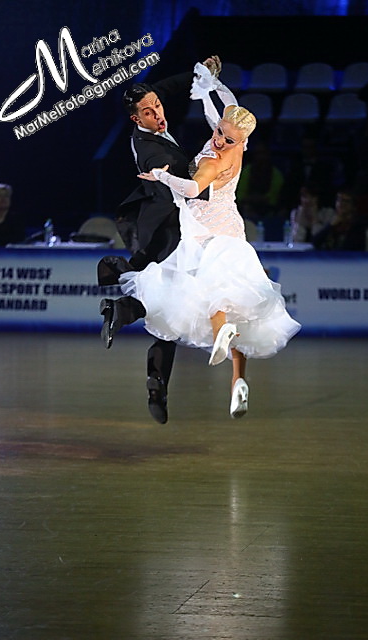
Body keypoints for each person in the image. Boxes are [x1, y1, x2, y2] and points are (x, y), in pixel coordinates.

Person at [119, 63, 301, 419]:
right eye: (218, 132)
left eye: (226, 139)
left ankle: (220, 334)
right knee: (234, 299)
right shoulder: (237, 142)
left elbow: (191, 189)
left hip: (204, 231)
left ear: (240, 142)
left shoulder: (214, 161)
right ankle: (237, 380)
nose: (219, 140)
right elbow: (226, 108)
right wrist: (210, 88)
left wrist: (160, 176)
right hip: (232, 228)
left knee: (209, 292)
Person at [97, 56, 223, 425]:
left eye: (157, 106)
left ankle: (154, 380)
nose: (158, 114)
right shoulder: (150, 150)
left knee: (171, 316)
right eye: (148, 112)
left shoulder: (154, 110)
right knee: (173, 314)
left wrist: (200, 72)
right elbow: (185, 182)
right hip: (170, 233)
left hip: (174, 230)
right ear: (135, 119)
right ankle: (123, 311)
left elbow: (168, 87)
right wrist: (211, 165)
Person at [312, 187, 368, 251]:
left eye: (345, 201)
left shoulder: (359, 226)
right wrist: (330, 226)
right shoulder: (332, 222)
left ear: (353, 206)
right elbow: (315, 242)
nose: (341, 204)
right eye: (339, 200)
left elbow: (349, 249)